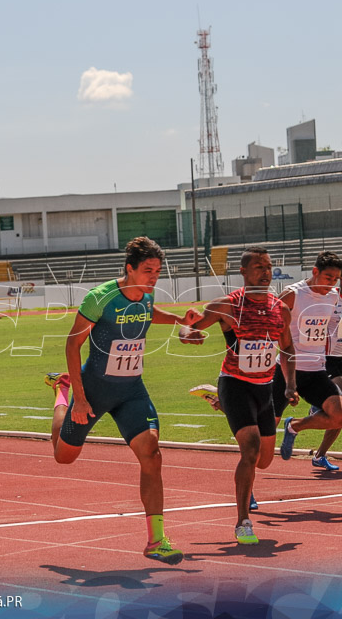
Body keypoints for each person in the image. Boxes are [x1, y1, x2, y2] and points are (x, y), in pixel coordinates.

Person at [47, 237, 200, 565]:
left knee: (152, 454)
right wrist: (77, 399)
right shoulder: (99, 299)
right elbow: (72, 345)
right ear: (129, 269)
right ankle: (60, 394)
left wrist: (179, 322)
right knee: (64, 457)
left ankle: (156, 540)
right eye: (147, 271)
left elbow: (148, 312)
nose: (154, 277)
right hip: (94, 390)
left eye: (158, 271)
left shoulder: (146, 293)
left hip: (131, 390)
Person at [179, 246, 294, 545]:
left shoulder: (280, 309)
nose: (265, 272)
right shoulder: (227, 306)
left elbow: (288, 348)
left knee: (265, 460)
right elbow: (187, 328)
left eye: (268, 266)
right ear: (243, 272)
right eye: (258, 266)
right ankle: (243, 521)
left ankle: (221, 404)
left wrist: (290, 384)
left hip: (265, 387)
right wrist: (190, 335)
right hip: (235, 382)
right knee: (251, 449)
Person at [276, 251, 342, 462]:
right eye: (328, 278)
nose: (332, 283)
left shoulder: (333, 296)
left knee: (340, 414)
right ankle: (222, 398)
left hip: (316, 371)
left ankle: (294, 426)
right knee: (264, 432)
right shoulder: (292, 294)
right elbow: (270, 323)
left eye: (335, 279)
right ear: (315, 272)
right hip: (287, 369)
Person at [310, 264, 342, 471]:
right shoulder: (330, 298)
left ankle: (320, 455)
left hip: (341, 356)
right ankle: (316, 405)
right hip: (325, 357)